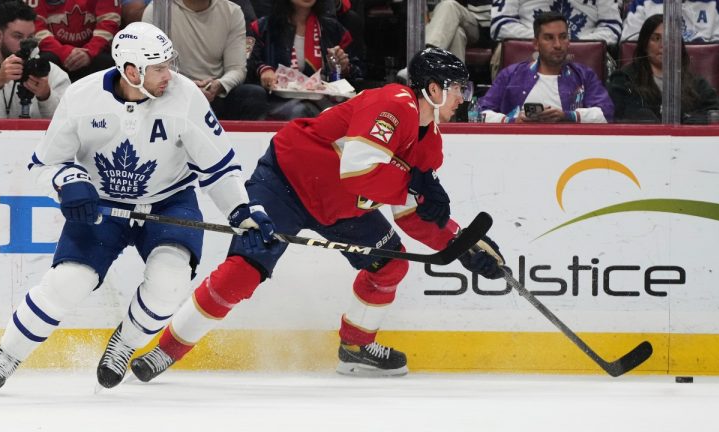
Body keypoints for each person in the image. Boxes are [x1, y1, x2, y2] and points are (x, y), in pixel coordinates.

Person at [126, 48, 506, 382]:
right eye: (457, 87)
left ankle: (356, 350)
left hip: (340, 208)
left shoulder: (432, 140)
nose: (462, 97)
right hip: (286, 184)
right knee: (243, 271)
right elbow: (359, 170)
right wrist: (414, 183)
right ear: (433, 90)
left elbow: (409, 213)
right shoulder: (394, 102)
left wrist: (458, 243)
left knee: (389, 266)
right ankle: (165, 351)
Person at [0, 21, 277, 391]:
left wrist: (242, 211)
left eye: (170, 63)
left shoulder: (185, 98)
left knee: (170, 282)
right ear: (131, 70)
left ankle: (125, 344)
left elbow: (219, 168)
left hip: (168, 201)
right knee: (70, 281)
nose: (170, 75)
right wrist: (69, 182)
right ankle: (8, 353)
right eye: (159, 67)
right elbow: (45, 164)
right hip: (102, 205)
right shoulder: (83, 96)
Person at [142, 0, 268, 120]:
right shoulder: (156, 11)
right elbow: (150, 69)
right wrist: (187, 88)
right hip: (173, 91)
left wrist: (219, 85)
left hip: (214, 93)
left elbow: (237, 68)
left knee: (254, 95)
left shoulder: (232, 12)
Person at [479, 11, 614, 123]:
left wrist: (568, 116)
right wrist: (512, 121)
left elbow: (606, 113)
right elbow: (480, 114)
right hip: (518, 146)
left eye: (563, 37)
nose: (557, 45)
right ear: (536, 44)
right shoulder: (510, 74)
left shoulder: (584, 75)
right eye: (549, 38)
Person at [247, 0, 361, 120]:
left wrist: (344, 67)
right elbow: (248, 64)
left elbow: (359, 72)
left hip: (325, 101)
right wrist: (263, 70)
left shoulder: (333, 28)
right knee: (301, 111)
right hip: (277, 101)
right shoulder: (262, 27)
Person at [608, 14, 719, 123]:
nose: (663, 45)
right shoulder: (624, 79)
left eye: (670, 39)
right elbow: (621, 115)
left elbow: (714, 112)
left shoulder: (695, 82)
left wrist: (687, 121)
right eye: (656, 38)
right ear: (644, 44)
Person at [490, 0, 621, 79]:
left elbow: (612, 28)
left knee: (606, 59)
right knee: (502, 51)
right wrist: (543, 40)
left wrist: (574, 45)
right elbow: (500, 25)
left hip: (586, 45)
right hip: (529, 42)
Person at [31, 0, 121, 82]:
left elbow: (109, 21)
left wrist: (90, 52)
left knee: (111, 63)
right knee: (42, 62)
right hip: (54, 52)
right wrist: (63, 52)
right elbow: (34, 26)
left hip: (93, 53)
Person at [621, 0, 719, 42]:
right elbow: (630, 49)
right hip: (651, 78)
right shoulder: (643, 3)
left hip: (701, 76)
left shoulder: (715, 4)